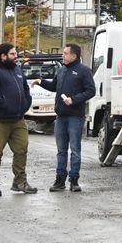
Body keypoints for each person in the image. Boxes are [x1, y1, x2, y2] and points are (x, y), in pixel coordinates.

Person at [33, 43, 96, 193]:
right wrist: (41, 82)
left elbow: (91, 91)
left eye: (66, 53)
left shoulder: (84, 71)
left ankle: (74, 180)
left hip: (75, 117)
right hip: (60, 117)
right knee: (61, 151)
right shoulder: (61, 71)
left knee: (75, 150)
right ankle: (60, 180)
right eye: (63, 53)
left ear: (74, 56)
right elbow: (54, 86)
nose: (63, 56)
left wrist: (73, 99)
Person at [0, 42, 36, 197]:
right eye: (12, 54)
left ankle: (20, 182)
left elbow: (25, 88)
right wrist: (5, 105)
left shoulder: (17, 70)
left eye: (15, 53)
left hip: (18, 119)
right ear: (3, 56)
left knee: (21, 149)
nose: (15, 56)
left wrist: (26, 103)